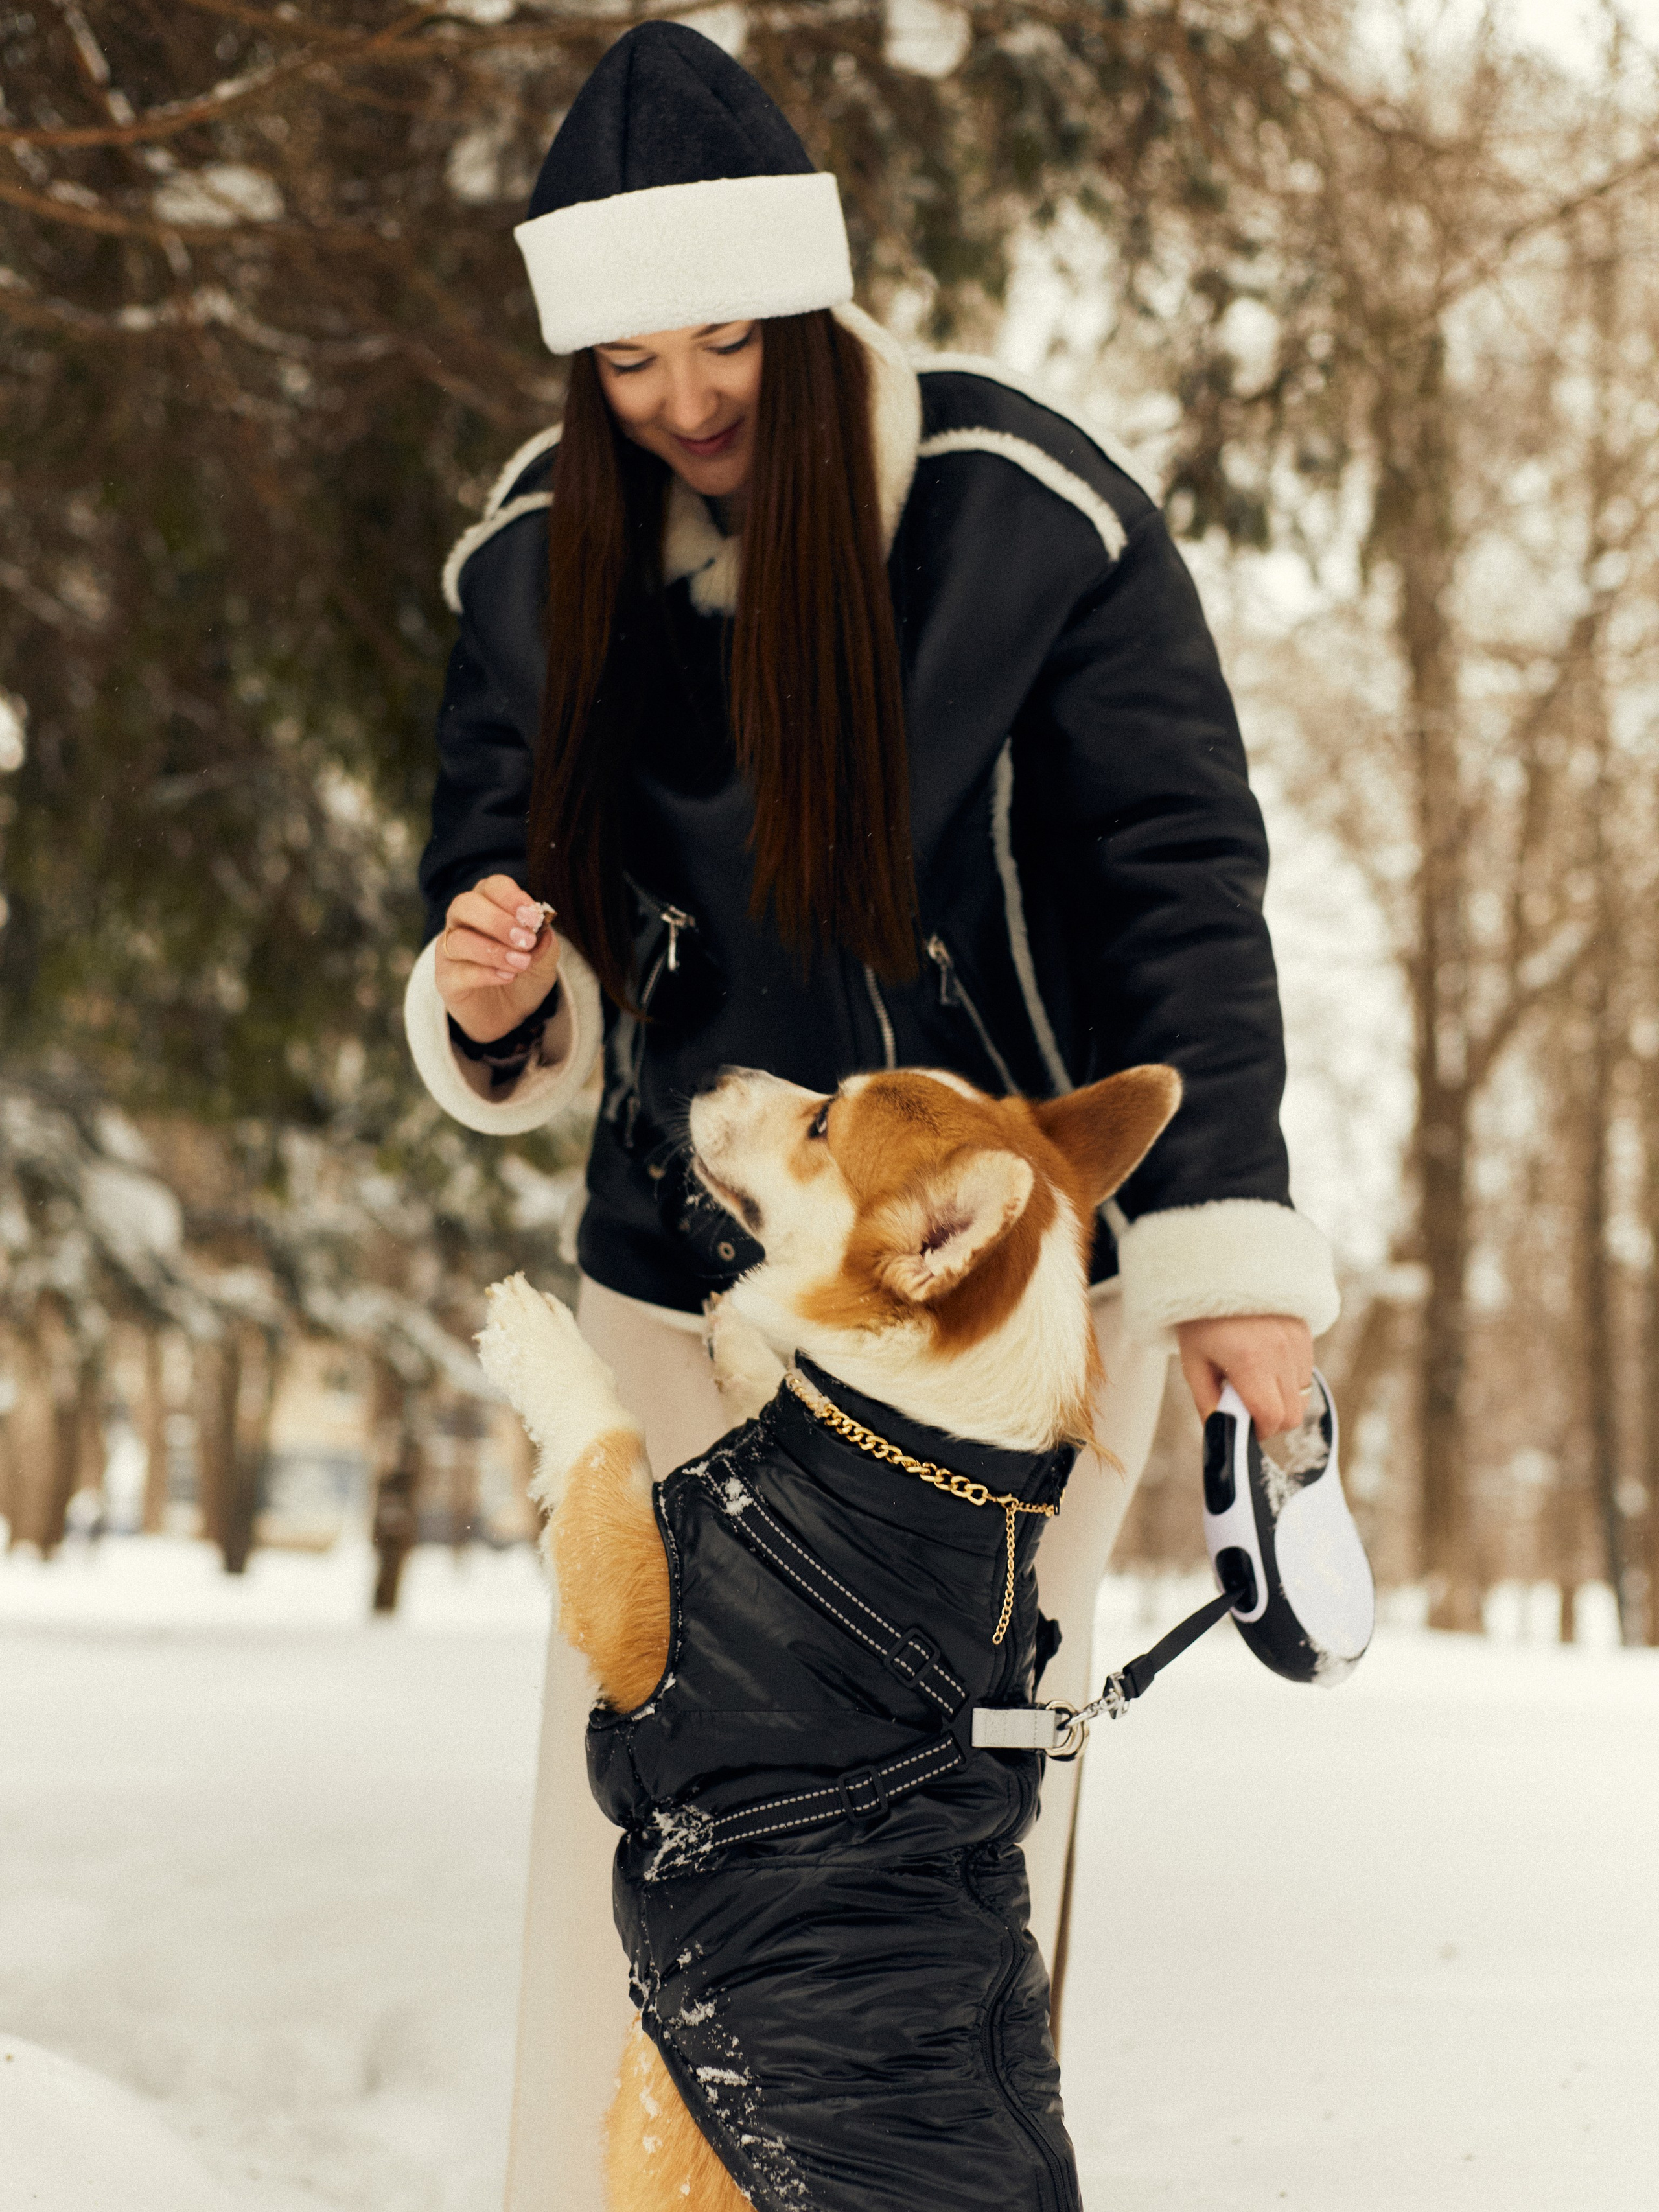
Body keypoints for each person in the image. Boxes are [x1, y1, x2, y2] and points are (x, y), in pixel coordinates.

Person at [401, 23, 1338, 2211]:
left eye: (729, 338)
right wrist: (492, 990)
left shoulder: (1035, 521)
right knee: (641, 1821)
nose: (690, 399)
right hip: (686, 1291)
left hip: (989, 1325)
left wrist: (1230, 1276)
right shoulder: (533, 564)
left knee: (936, 1857)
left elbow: (1173, 900)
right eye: (629, 362)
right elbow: (481, 888)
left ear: (811, 309)